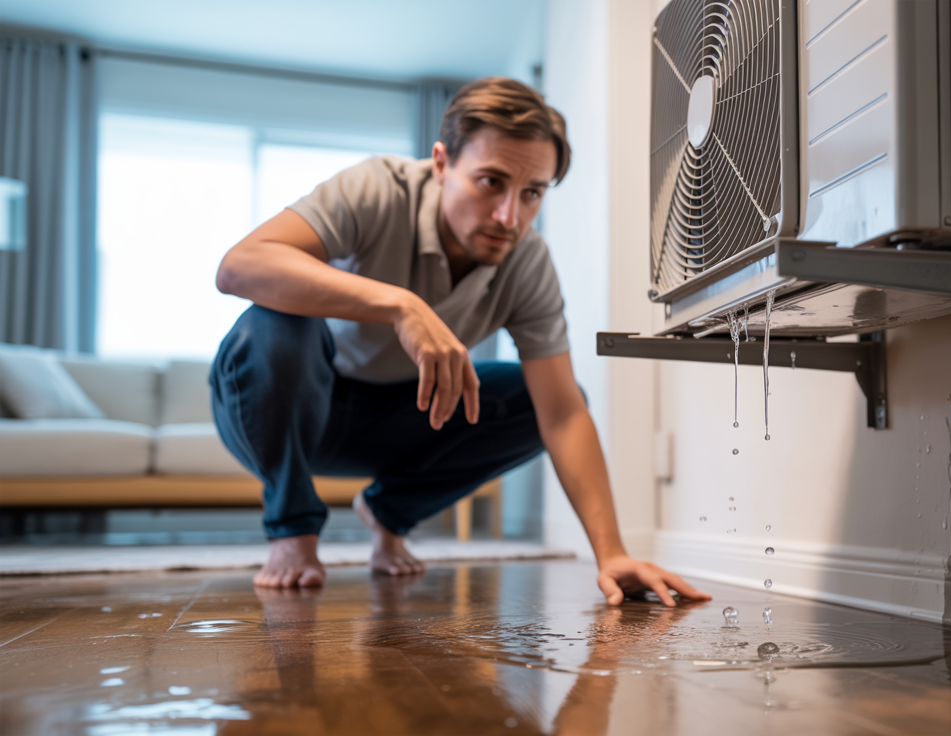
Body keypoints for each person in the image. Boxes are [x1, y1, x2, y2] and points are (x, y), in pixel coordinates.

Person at [212, 77, 709, 607]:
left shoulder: (528, 264)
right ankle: (292, 532)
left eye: (532, 193)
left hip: (395, 418)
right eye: (490, 182)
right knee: (275, 322)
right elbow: (239, 265)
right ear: (442, 162)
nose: (509, 218)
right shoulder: (377, 188)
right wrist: (400, 305)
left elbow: (561, 414)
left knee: (535, 400)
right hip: (284, 405)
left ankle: (388, 513)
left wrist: (611, 553)